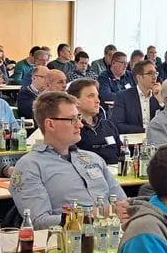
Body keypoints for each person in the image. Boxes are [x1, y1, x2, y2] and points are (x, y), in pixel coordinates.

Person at [9, 91, 127, 229]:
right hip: (69, 241)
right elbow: (38, 222)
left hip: (113, 235)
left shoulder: (93, 159)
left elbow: (122, 204)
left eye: (79, 117)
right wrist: (96, 214)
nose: (80, 125)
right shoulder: (29, 166)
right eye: (72, 119)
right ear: (50, 124)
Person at [68, 78, 121, 165]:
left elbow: (121, 153)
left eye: (97, 96)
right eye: (91, 96)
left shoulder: (108, 125)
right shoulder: (72, 129)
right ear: (75, 101)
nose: (97, 101)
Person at [111, 59, 162, 134]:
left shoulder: (159, 95)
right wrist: (145, 131)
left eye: (155, 73)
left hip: (157, 140)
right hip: (134, 140)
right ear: (139, 77)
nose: (154, 77)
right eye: (150, 73)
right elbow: (118, 125)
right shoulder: (123, 96)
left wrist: (161, 101)